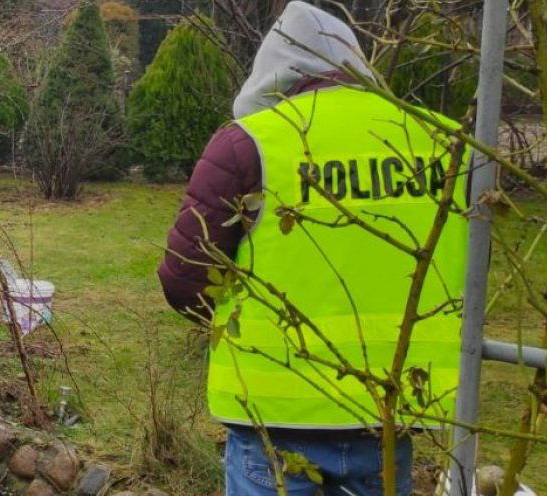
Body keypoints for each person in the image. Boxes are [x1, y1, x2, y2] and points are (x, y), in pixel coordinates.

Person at [157, 2, 468, 495]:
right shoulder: (444, 142)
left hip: (274, 419)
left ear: (274, 76)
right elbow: (469, 265)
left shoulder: (249, 144)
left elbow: (184, 276)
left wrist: (235, 326)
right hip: (391, 411)